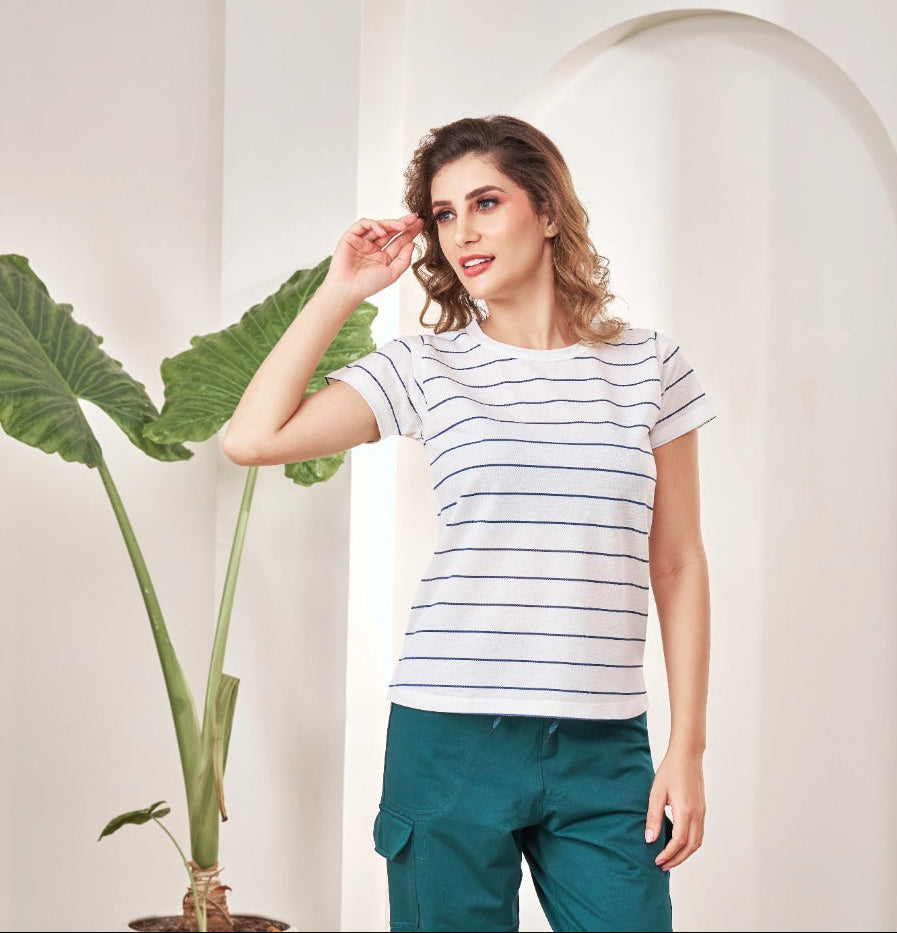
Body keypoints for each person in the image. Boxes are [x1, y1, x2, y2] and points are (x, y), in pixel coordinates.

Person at [224, 114, 714, 933]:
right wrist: (341, 289)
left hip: (602, 746)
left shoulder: (648, 365)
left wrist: (686, 746)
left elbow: (678, 562)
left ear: (547, 210)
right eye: (444, 214)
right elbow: (251, 439)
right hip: (447, 739)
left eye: (485, 202)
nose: (462, 232)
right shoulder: (426, 365)